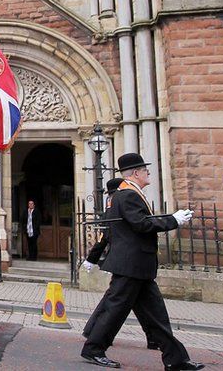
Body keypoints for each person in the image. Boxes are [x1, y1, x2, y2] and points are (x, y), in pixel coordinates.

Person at [81, 153, 203, 370]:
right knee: (115, 310)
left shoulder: (128, 193)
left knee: (156, 315)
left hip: (138, 265)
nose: (148, 173)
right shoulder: (128, 194)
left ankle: (176, 360)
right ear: (136, 173)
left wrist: (171, 219)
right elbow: (141, 224)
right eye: (145, 170)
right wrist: (172, 220)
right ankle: (93, 349)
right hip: (131, 264)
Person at [82, 178, 160, 351]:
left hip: (130, 263)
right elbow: (106, 237)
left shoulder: (115, 204)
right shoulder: (118, 205)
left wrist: (92, 259)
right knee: (115, 304)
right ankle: (93, 339)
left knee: (132, 305)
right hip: (126, 263)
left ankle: (157, 340)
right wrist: (91, 259)